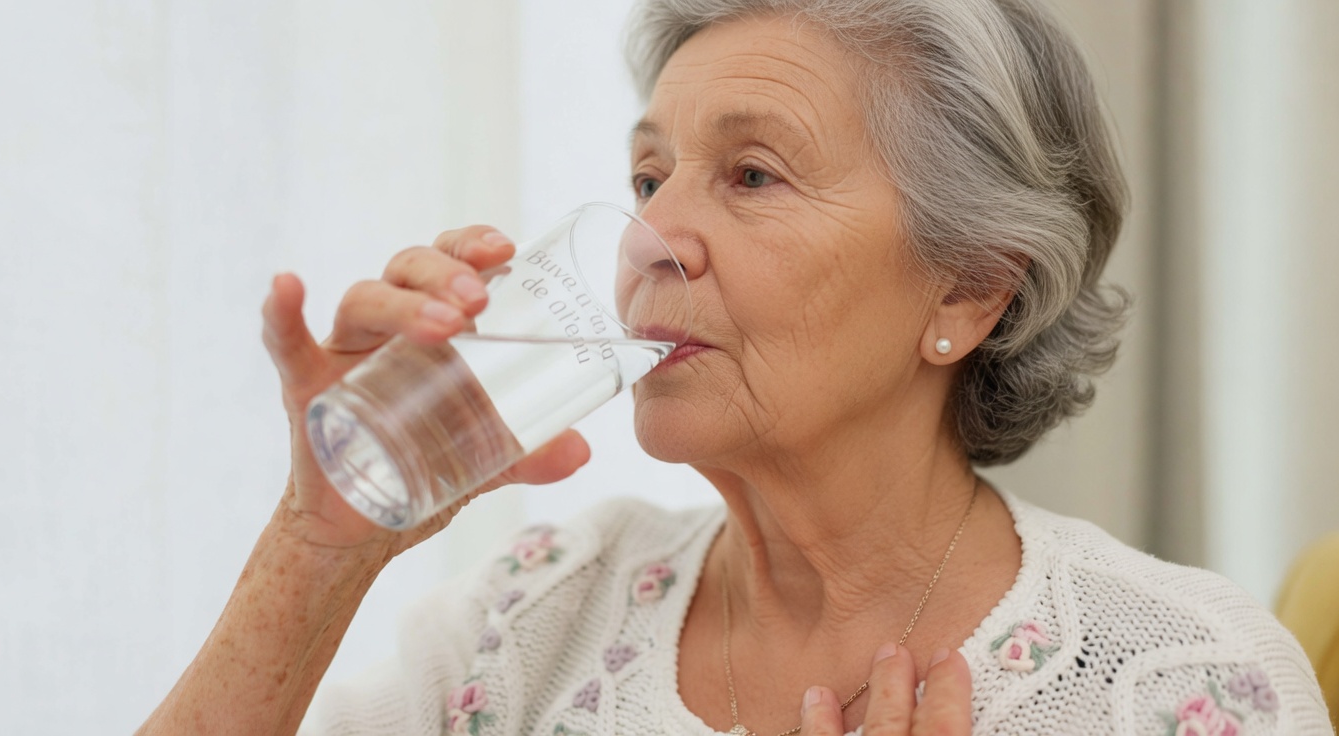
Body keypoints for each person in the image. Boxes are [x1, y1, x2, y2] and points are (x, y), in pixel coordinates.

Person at [139, 0, 1331, 734]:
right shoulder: (535, 610)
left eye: (752, 174)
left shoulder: (1176, 682)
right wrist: (319, 549)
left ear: (967, 290)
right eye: (648, 177)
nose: (650, 235)